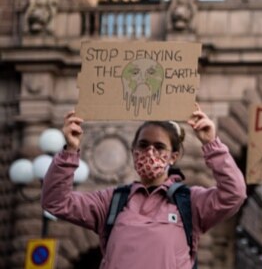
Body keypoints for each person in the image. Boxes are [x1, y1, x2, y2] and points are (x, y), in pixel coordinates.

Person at [41, 104, 247, 269]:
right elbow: (55, 202)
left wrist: (212, 144)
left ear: (173, 157)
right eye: (143, 145)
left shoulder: (190, 202)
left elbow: (234, 194)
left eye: (159, 147)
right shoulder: (111, 201)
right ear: (133, 151)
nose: (150, 152)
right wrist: (70, 151)